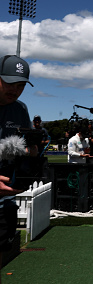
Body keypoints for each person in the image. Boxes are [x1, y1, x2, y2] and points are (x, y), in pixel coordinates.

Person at [0, 55, 37, 269]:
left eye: (21, 85)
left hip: (4, 197)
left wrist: (32, 153)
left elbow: (26, 149)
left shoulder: (20, 109)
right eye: (9, 83)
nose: (15, 89)